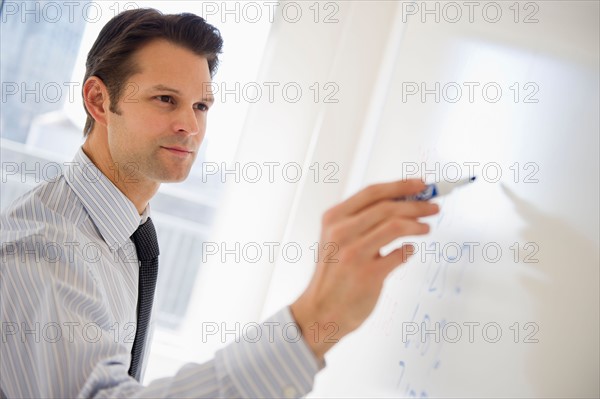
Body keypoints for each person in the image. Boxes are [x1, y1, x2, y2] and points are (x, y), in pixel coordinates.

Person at [0, 8, 439, 398]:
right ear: (99, 100)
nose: (189, 125)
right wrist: (311, 322)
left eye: (202, 105)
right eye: (166, 99)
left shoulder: (118, 233)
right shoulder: (44, 248)